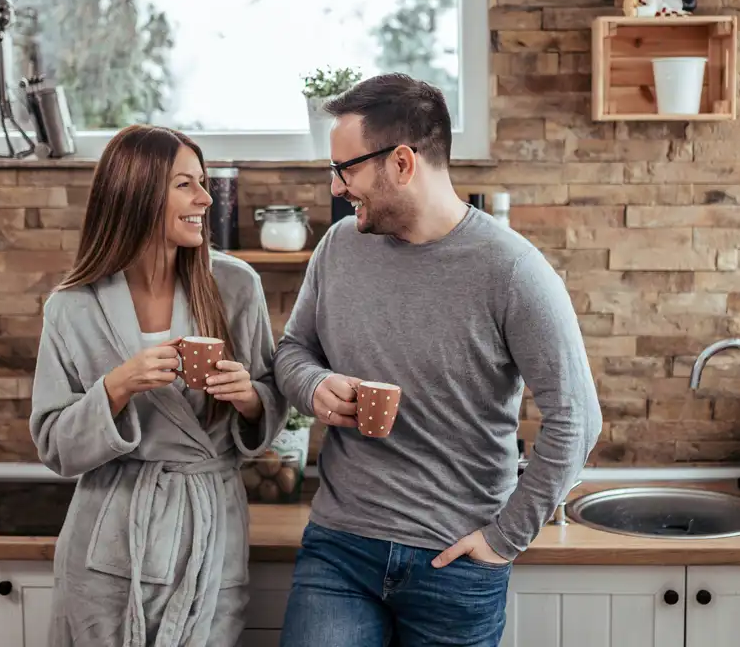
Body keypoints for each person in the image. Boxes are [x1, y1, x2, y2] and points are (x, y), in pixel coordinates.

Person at [274, 73, 602, 646]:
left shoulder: (512, 270)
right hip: (340, 549)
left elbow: (577, 418)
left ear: (401, 163)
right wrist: (314, 385)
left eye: (345, 169)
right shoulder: (339, 247)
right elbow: (293, 352)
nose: (336, 187)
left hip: (455, 563)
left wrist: (504, 539)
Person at [29, 124, 288, 646]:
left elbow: (271, 399)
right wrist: (118, 387)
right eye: (185, 184)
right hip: (111, 534)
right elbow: (55, 445)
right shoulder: (72, 307)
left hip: (208, 529)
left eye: (203, 181)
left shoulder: (236, 285)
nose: (205, 197)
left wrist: (251, 399)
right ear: (138, 192)